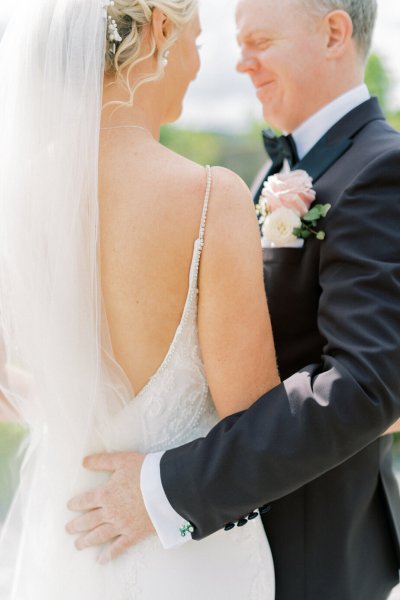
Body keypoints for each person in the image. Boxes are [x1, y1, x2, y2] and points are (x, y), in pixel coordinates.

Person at [69, 1, 400, 599]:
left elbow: (367, 385)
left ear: (333, 33)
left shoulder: (383, 169)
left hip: (311, 554)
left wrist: (166, 488)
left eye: (260, 41)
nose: (242, 64)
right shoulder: (264, 181)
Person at [0, 0, 279, 598]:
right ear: (157, 28)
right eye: (197, 40)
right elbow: (257, 432)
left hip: (66, 545)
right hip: (195, 560)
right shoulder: (210, 198)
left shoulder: (15, 201)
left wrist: (58, 403)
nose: (200, 64)